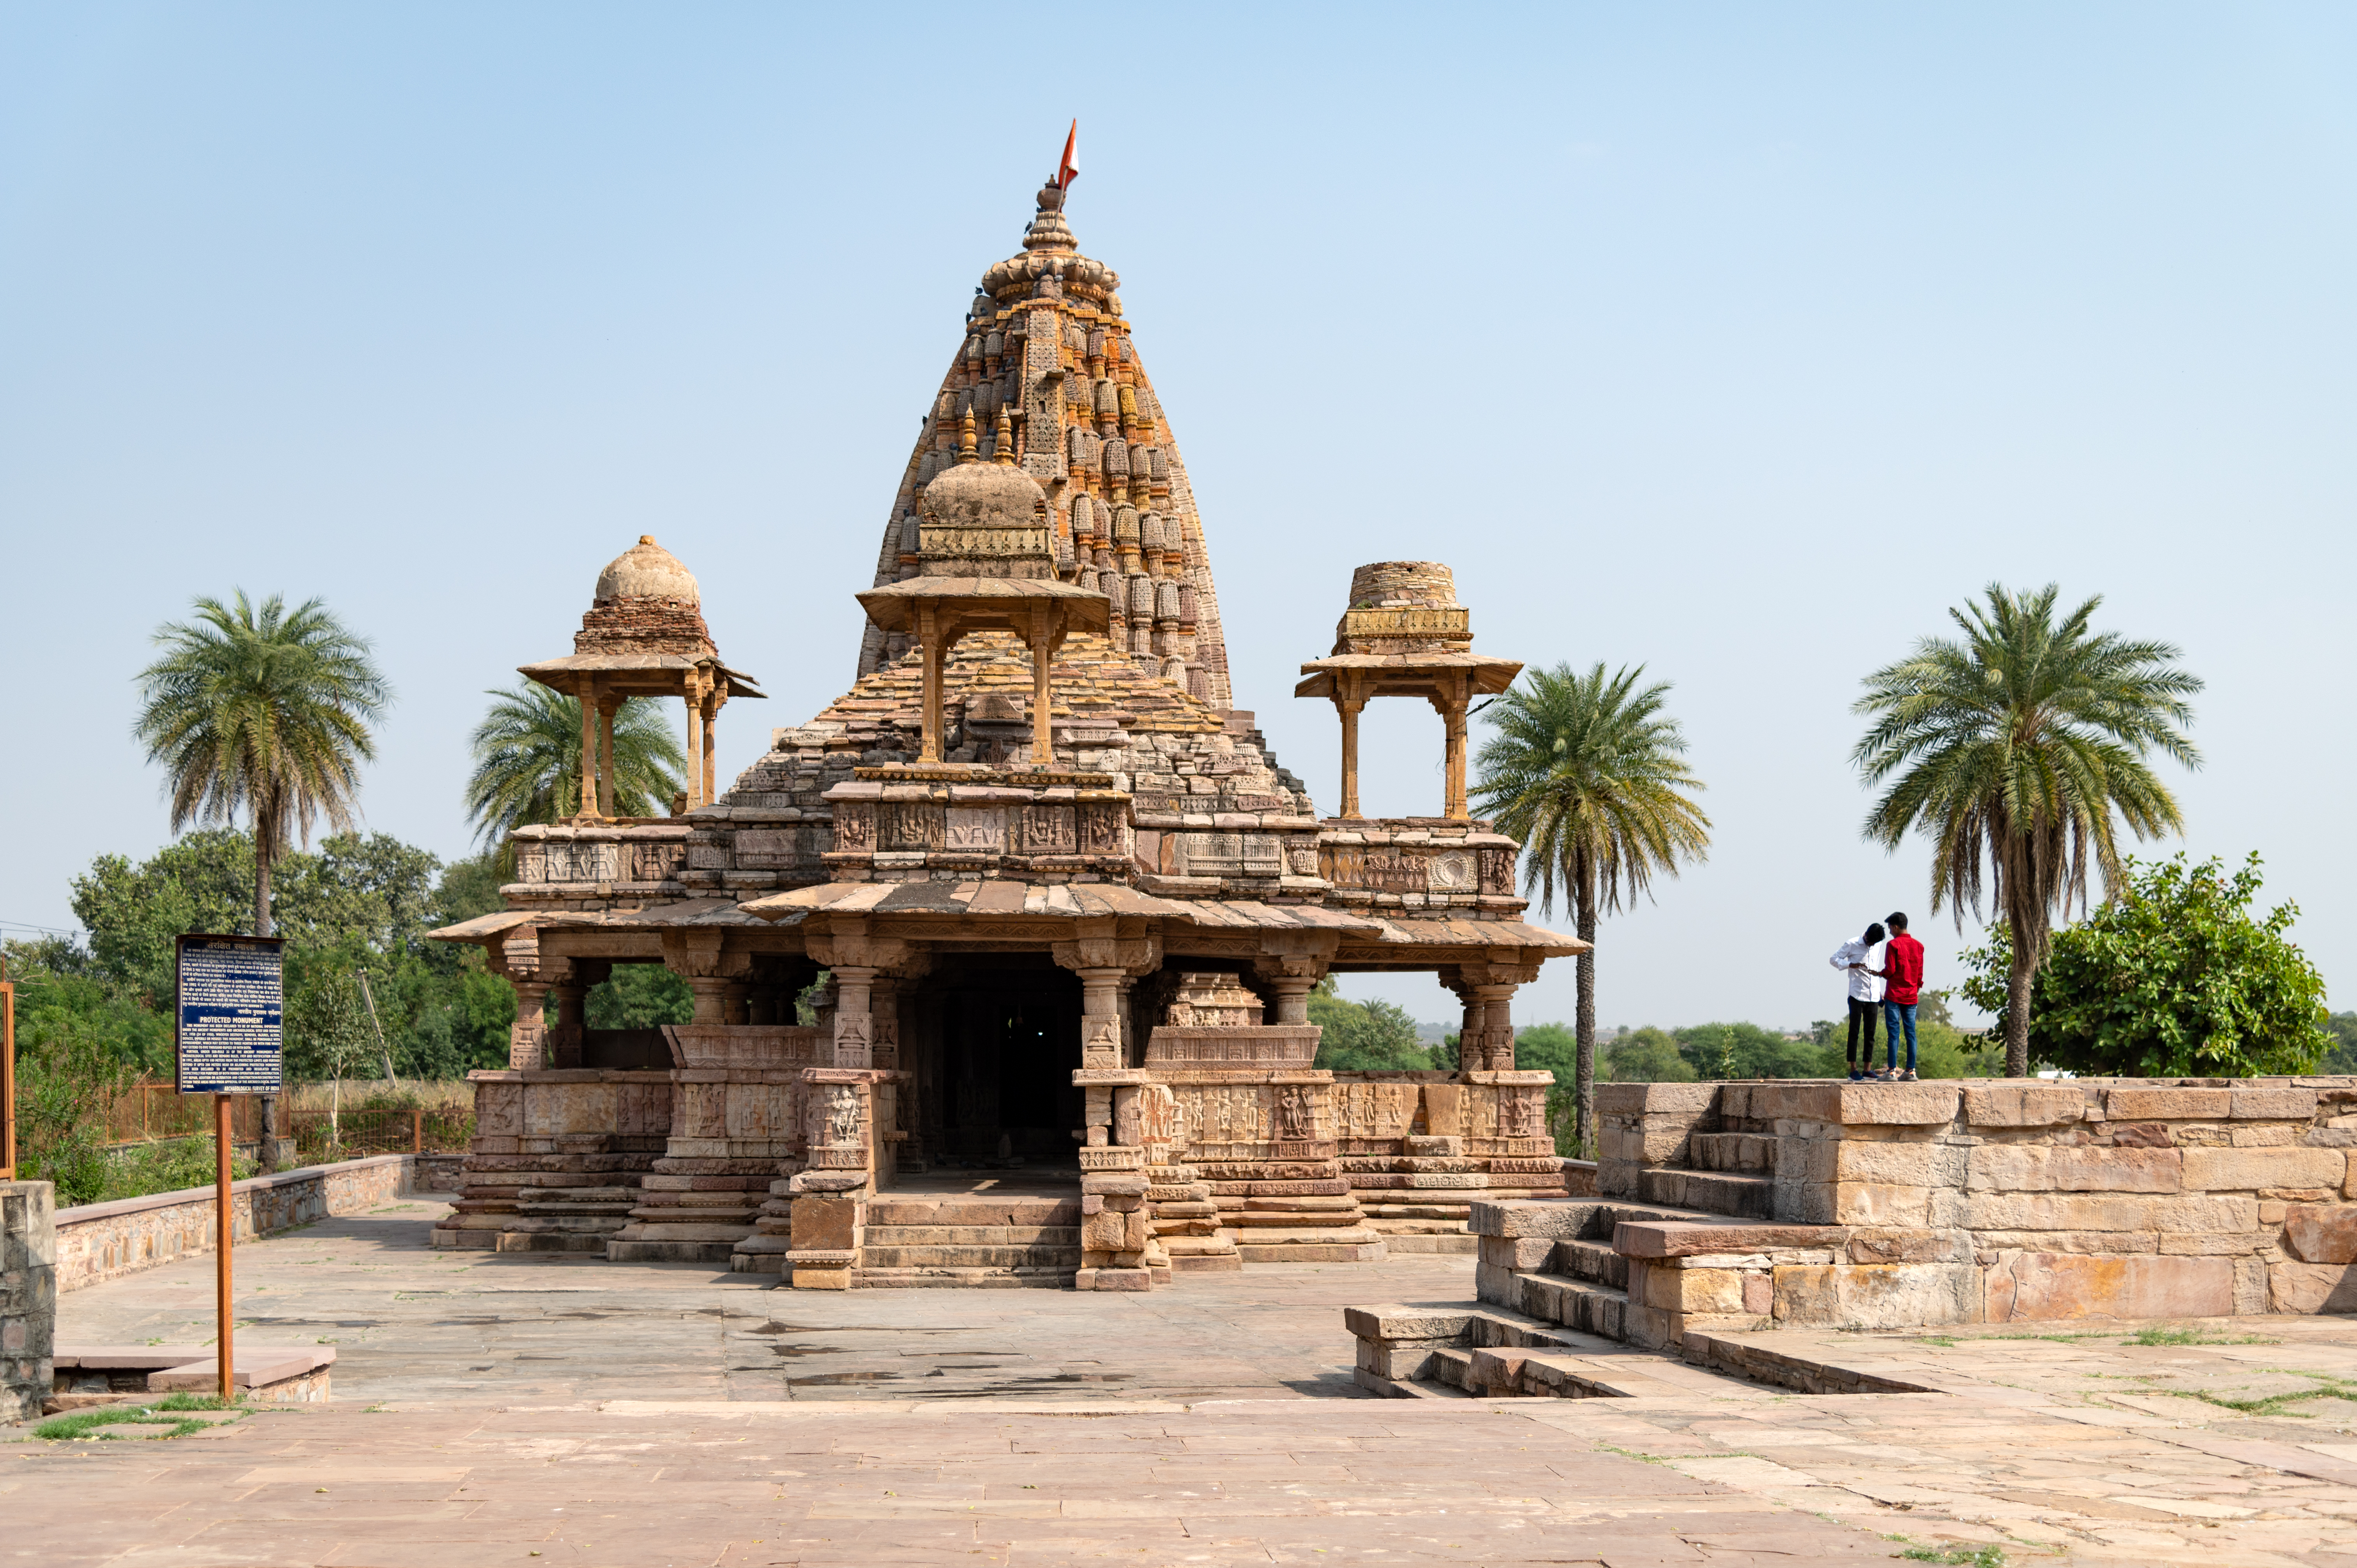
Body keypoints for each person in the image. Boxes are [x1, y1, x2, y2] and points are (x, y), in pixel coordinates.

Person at [1828, 922, 1887, 1082]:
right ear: (1866, 936)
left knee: (1870, 1034)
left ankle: (1867, 1069)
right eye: (1871, 942)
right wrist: (1850, 965)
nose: (1872, 945)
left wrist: (1880, 992)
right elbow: (1833, 960)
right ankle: (1853, 1070)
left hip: (1874, 994)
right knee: (1854, 1032)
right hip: (1856, 993)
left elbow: (1874, 967)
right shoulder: (1852, 944)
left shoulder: (1878, 945)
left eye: (1875, 944)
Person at [1878, 911, 1926, 1081]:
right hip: (1911, 996)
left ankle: (1891, 1072)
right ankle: (1911, 1071)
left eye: (1890, 928)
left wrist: (1880, 973)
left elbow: (1890, 970)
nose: (1890, 932)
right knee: (1911, 1033)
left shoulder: (1893, 945)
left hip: (1894, 995)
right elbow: (1920, 974)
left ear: (1896, 927)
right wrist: (1915, 987)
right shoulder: (1919, 946)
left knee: (1894, 1033)